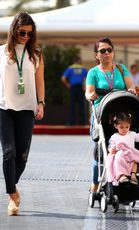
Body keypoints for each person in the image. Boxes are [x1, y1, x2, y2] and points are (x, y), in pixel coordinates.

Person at [0, 12, 45, 216]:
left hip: (27, 108)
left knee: (22, 155)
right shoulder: (1, 52)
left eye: (29, 33)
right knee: (9, 152)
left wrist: (41, 103)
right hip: (4, 108)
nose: (25, 36)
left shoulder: (35, 54)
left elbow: (40, 82)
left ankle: (12, 184)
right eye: (22, 32)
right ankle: (12, 195)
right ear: (14, 30)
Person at [85, 37, 136, 193]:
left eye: (109, 50)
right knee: (100, 151)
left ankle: (125, 176)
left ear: (113, 52)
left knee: (124, 146)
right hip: (101, 114)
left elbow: (130, 86)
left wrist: (132, 91)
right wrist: (90, 96)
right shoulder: (93, 72)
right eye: (102, 51)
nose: (106, 53)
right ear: (96, 55)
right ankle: (96, 182)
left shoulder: (121, 69)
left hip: (121, 115)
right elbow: (88, 92)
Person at [107, 112, 139, 185]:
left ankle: (133, 175)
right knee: (118, 156)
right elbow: (110, 146)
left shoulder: (132, 134)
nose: (124, 129)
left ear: (129, 126)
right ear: (116, 126)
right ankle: (122, 175)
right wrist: (111, 150)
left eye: (127, 127)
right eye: (121, 127)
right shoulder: (114, 137)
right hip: (120, 156)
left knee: (134, 160)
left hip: (130, 155)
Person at [61, 56, 88, 125]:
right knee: (82, 106)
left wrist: (68, 85)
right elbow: (88, 78)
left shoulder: (70, 68)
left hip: (73, 88)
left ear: (73, 61)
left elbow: (63, 78)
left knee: (72, 105)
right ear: (79, 61)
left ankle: (71, 122)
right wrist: (85, 86)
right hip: (80, 88)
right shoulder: (83, 68)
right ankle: (83, 123)